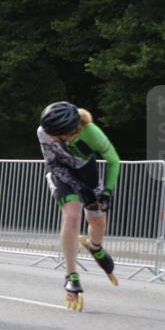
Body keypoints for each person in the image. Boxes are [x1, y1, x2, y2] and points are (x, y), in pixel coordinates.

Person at [38, 101, 121, 311]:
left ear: (70, 131)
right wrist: (78, 187)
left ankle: (95, 246)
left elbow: (113, 160)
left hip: (86, 171)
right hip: (61, 174)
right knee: (72, 214)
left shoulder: (92, 133)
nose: (52, 138)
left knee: (98, 221)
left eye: (56, 135)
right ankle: (71, 274)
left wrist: (107, 192)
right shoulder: (44, 132)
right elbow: (52, 163)